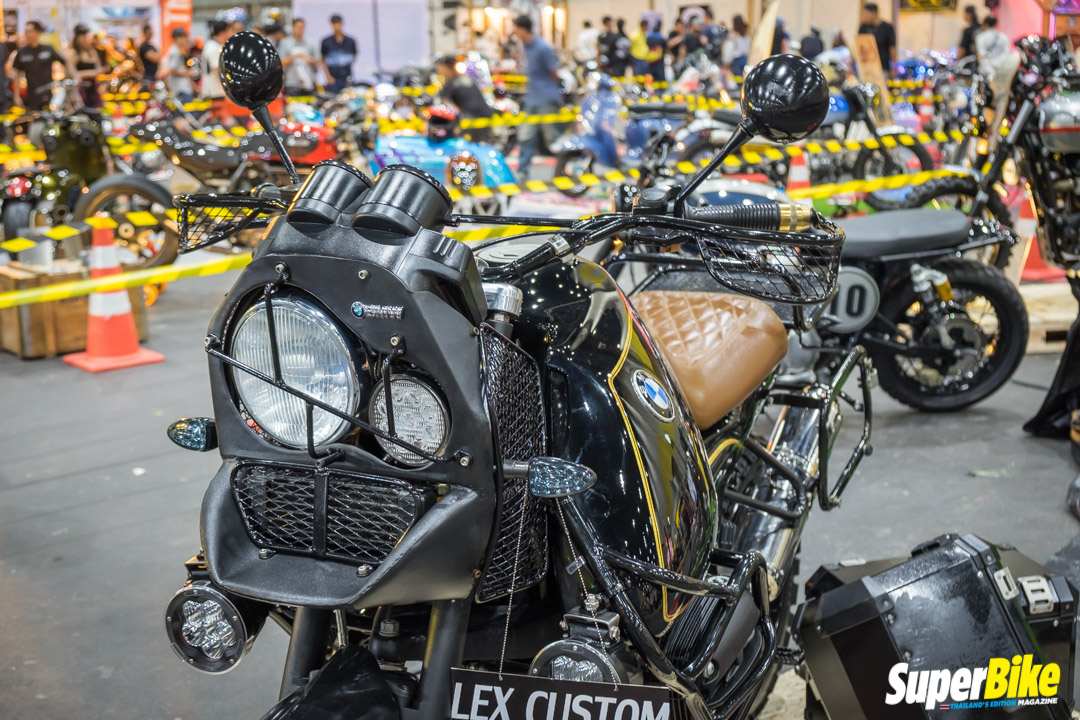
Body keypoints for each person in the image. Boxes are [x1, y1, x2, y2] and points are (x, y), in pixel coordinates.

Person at [511, 14, 563, 180]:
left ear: (523, 29)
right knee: (526, 136)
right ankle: (523, 172)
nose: (514, 32)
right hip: (531, 98)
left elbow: (554, 72)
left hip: (546, 98)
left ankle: (565, 171)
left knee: (552, 139)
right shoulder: (525, 47)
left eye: (516, 29)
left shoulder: (542, 47)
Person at [11, 21, 65, 111]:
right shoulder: (22, 52)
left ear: (38, 32)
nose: (27, 35)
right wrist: (16, 96)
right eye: (25, 32)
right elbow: (17, 75)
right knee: (34, 116)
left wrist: (62, 80)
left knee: (51, 116)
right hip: (32, 94)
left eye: (29, 31)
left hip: (49, 92)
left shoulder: (48, 49)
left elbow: (65, 62)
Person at [434, 54, 494, 121]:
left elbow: (446, 102)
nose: (439, 71)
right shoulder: (466, 79)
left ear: (446, 68)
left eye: (440, 68)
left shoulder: (452, 83)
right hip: (487, 114)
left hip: (470, 119)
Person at [278, 18, 319, 96]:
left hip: (308, 83)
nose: (300, 29)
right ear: (293, 28)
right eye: (298, 27)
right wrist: (294, 57)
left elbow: (317, 61)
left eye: (302, 27)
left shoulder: (310, 44)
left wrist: (309, 59)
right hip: (291, 83)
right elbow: (281, 62)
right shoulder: (285, 43)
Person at [66, 24, 102, 108]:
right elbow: (72, 74)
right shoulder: (74, 54)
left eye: (86, 37)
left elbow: (99, 70)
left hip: (93, 89)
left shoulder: (92, 52)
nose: (85, 40)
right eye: (82, 37)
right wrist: (89, 73)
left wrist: (82, 74)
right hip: (80, 91)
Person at [158, 27, 196, 104]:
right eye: (183, 37)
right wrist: (187, 73)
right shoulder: (174, 52)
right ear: (177, 38)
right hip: (181, 89)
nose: (184, 39)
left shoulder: (176, 50)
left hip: (181, 88)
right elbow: (172, 70)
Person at [320, 14, 357, 93]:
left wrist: (345, 62)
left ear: (342, 24)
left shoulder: (350, 41)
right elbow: (323, 60)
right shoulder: (326, 42)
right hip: (333, 77)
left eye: (338, 23)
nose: (336, 26)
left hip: (347, 77)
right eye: (334, 24)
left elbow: (354, 55)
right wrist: (328, 77)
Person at [858, 2, 896, 75]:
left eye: (867, 14)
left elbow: (892, 48)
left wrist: (893, 67)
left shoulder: (887, 27)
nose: (865, 17)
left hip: (882, 67)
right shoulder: (863, 27)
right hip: (866, 67)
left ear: (874, 13)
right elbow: (858, 45)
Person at [201, 20, 230, 101]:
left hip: (215, 92)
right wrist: (228, 91)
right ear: (223, 33)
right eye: (229, 31)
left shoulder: (211, 45)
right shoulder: (214, 48)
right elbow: (218, 71)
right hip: (215, 93)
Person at [975, 15, 1011, 80]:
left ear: (986, 24)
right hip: (1001, 69)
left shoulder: (980, 37)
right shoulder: (1003, 36)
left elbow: (982, 55)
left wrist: (989, 67)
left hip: (986, 71)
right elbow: (1007, 53)